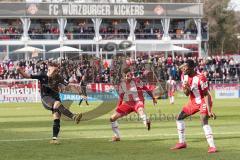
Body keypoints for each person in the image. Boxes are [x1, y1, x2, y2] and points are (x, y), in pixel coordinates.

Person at [17, 62, 82, 144]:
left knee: (57, 117)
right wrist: (19, 71)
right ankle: (73, 117)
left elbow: (68, 85)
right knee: (57, 103)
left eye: (57, 70)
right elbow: (26, 76)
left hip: (56, 97)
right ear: (49, 69)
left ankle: (54, 139)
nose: (56, 72)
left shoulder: (58, 77)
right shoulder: (42, 75)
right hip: (46, 98)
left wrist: (79, 91)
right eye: (54, 70)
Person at [171, 59, 217, 153]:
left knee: (203, 119)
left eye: (186, 67)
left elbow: (206, 94)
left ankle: (212, 146)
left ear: (192, 68)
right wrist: (186, 87)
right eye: (183, 67)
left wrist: (209, 110)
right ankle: (182, 142)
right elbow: (187, 94)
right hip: (193, 102)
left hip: (204, 100)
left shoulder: (201, 77)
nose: (183, 69)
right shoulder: (184, 76)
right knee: (179, 118)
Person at [110, 68, 157, 142]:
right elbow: (121, 97)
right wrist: (118, 107)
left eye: (128, 75)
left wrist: (153, 98)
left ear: (131, 74)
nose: (127, 77)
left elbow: (146, 89)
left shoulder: (137, 81)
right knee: (112, 118)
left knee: (140, 110)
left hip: (138, 101)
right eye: (125, 76)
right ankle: (117, 136)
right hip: (128, 104)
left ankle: (146, 121)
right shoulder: (122, 85)